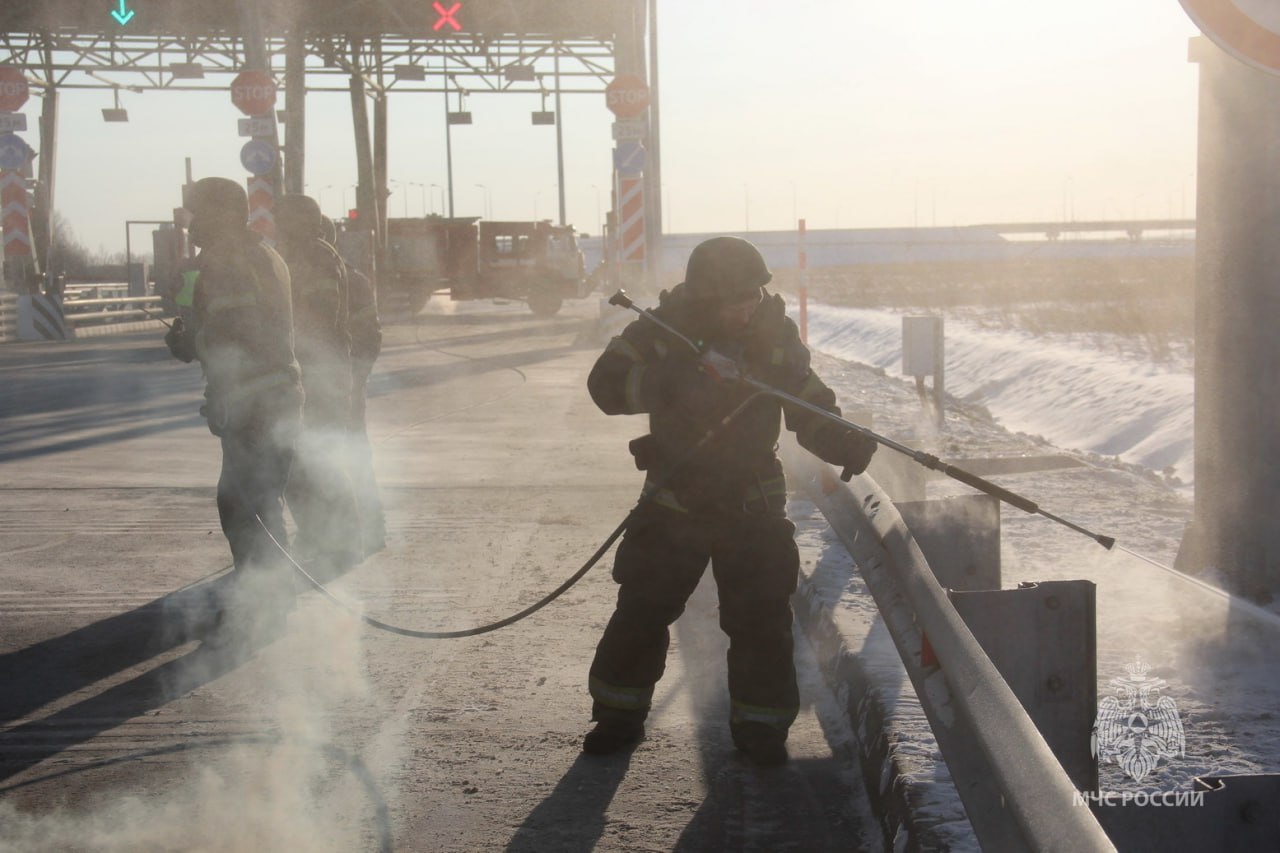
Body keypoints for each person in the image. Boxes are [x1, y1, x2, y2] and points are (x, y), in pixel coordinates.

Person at [582, 236, 877, 767]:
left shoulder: (774, 336)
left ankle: (762, 730)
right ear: (704, 297)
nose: (749, 306)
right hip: (676, 501)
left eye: (755, 294)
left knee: (761, 618)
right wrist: (674, 381)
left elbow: (807, 403)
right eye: (736, 298)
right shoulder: (662, 330)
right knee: (643, 610)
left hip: (751, 503)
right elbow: (605, 387)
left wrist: (842, 440)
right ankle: (617, 717)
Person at [163, 176, 303, 638]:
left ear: (219, 213)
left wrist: (191, 341)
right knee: (255, 500)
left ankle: (264, 606)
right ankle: (266, 599)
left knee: (247, 505)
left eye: (198, 212)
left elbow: (235, 332)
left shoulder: (226, 259)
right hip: (275, 394)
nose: (193, 222)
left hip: (253, 399)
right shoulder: (265, 254)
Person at [273, 194, 364, 574]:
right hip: (315, 374)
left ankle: (339, 542)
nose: (276, 226)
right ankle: (324, 538)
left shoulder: (313, 256)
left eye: (282, 219)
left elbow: (317, 319)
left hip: (319, 376)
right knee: (306, 463)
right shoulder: (309, 254)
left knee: (317, 462)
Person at [323, 217, 386, 554]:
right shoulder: (353, 279)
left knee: (346, 455)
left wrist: (352, 378)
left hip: (341, 384)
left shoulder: (350, 282)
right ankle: (357, 529)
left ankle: (364, 530)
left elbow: (369, 337)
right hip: (327, 384)